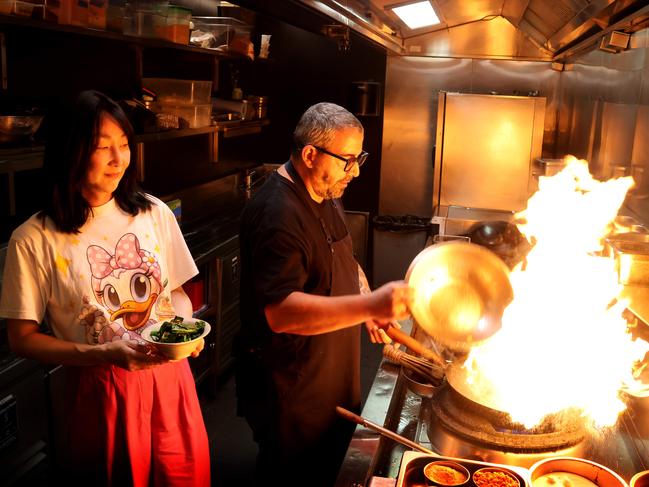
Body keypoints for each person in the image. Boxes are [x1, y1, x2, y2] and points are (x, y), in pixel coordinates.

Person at [0, 90, 210, 486]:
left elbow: (177, 292)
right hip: (99, 391)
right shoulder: (33, 238)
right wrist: (101, 352)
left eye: (125, 144)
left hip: (171, 381)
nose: (119, 159)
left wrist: (182, 331)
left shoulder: (152, 212)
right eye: (103, 147)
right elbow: (22, 339)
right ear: (71, 151)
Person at [235, 102, 412, 486]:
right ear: (310, 154)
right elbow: (281, 312)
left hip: (330, 374)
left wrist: (366, 302)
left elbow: (342, 254)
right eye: (348, 159)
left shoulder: (325, 192)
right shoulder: (277, 213)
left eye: (359, 157)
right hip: (292, 388)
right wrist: (371, 302)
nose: (357, 170)